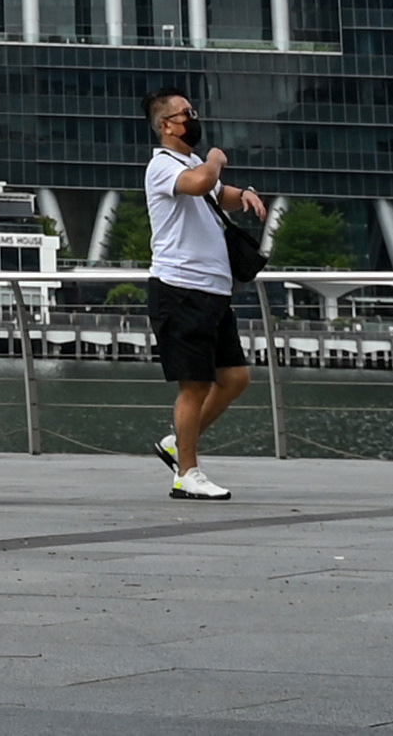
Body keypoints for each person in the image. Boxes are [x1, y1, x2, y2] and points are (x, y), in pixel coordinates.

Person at [144, 89, 265, 500]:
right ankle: (187, 473)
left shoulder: (193, 165)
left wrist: (242, 194)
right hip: (180, 289)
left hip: (213, 290)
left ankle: (176, 444)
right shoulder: (163, 165)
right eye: (185, 114)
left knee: (235, 378)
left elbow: (217, 193)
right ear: (166, 125)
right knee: (194, 385)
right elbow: (201, 184)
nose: (193, 119)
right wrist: (215, 159)